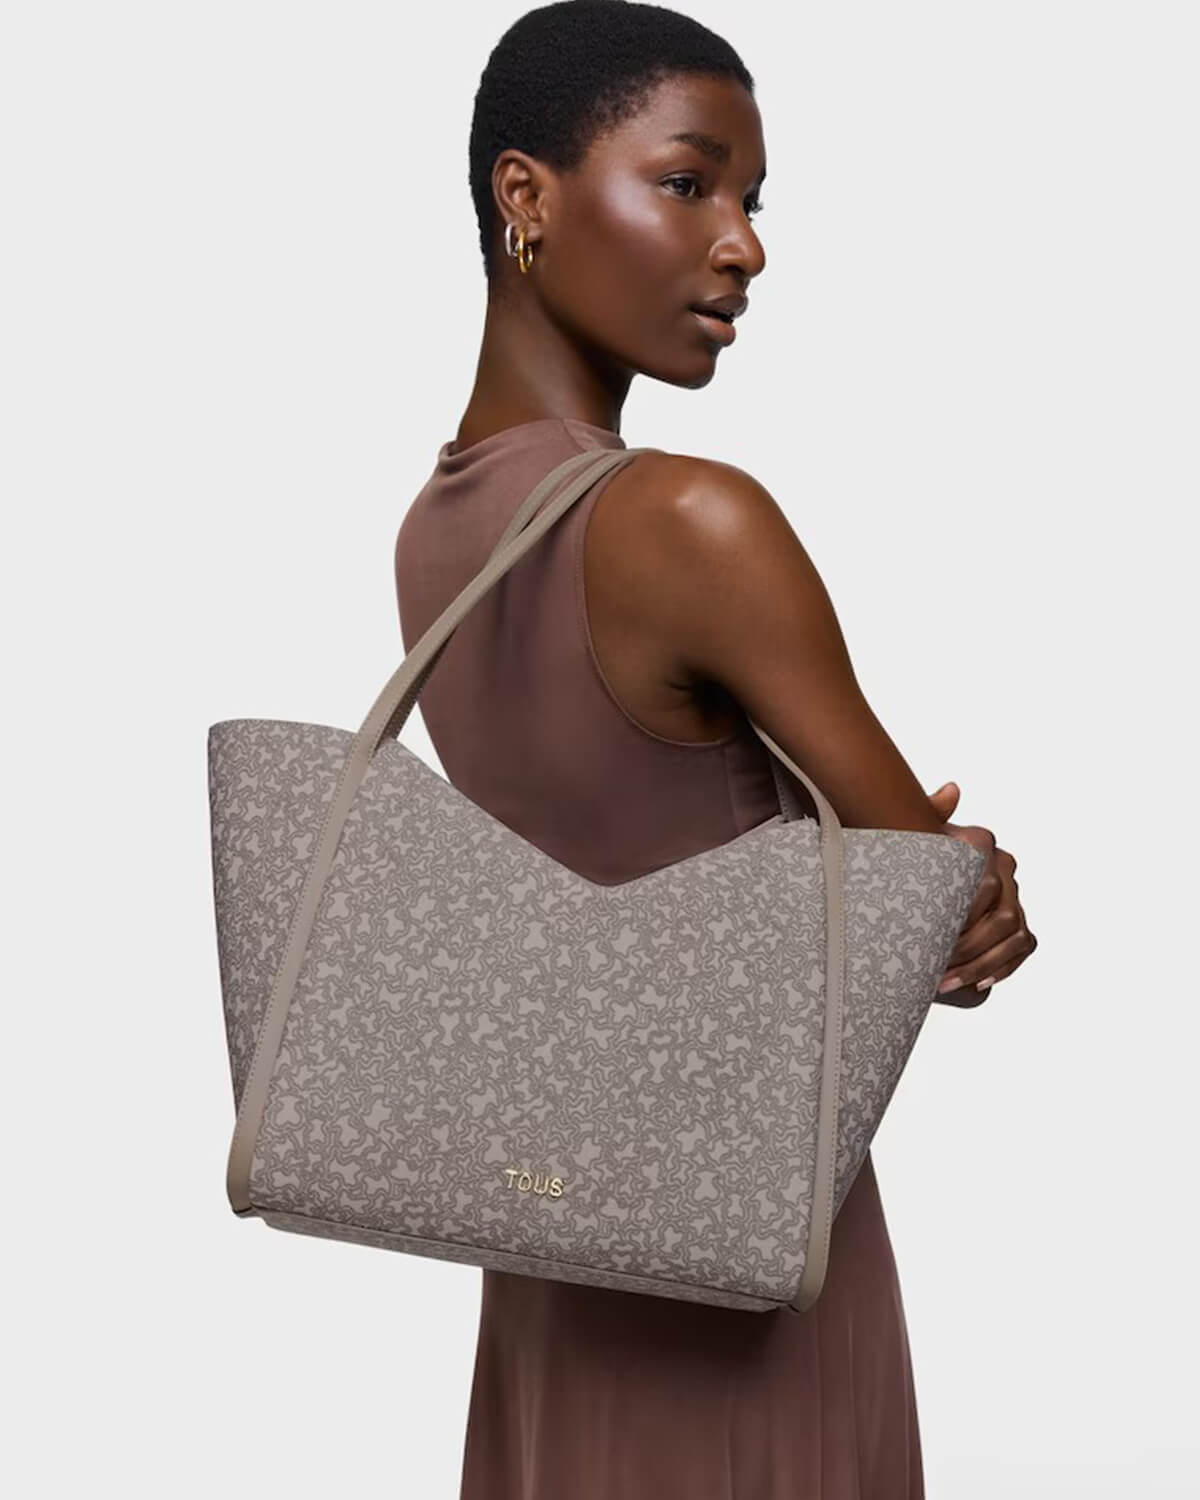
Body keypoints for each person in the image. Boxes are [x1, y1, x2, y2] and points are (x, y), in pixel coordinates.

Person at [393, 4, 1037, 1495]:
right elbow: (937, 920)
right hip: (746, 1265)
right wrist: (964, 875)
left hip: (548, 1243)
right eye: (688, 184)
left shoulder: (433, 535)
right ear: (525, 196)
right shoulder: (690, 521)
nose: (743, 246)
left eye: (751, 201)